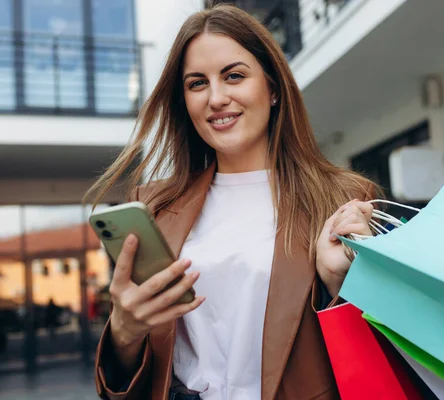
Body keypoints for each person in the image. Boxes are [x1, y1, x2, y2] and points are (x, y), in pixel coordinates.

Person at [88, 4, 380, 400]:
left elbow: (384, 353)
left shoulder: (344, 199)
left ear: (273, 88)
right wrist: (124, 331)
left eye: (234, 76)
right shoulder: (153, 206)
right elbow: (125, 382)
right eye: (197, 84)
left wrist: (339, 287)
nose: (216, 97)